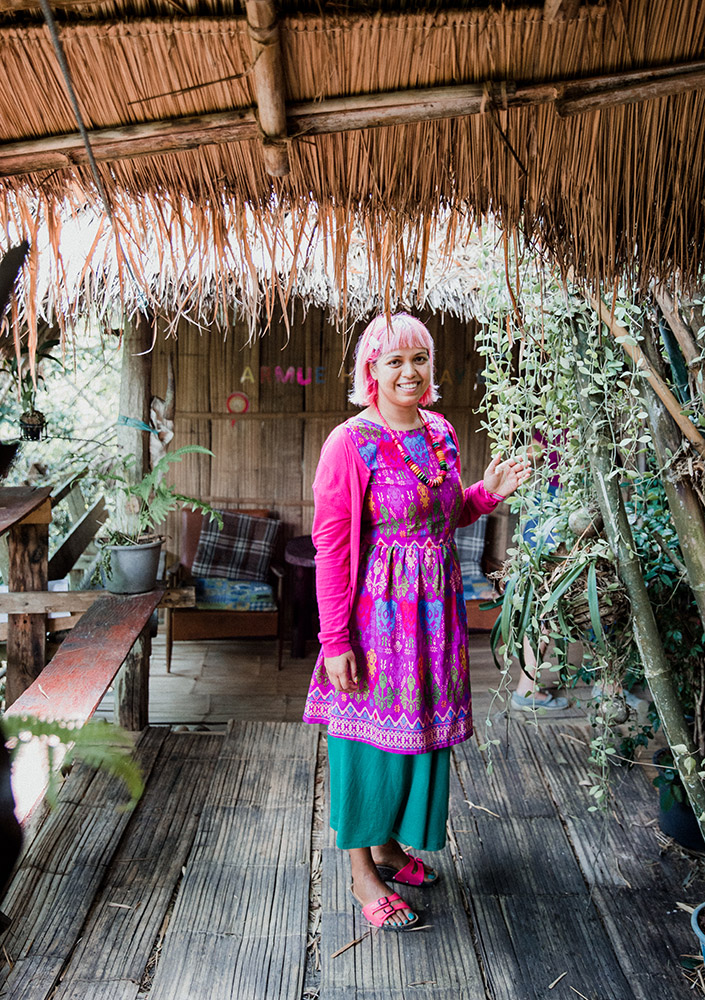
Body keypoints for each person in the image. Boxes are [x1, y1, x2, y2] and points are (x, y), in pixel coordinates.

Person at [303, 313, 531, 930]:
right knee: (365, 739)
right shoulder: (348, 443)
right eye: (394, 360)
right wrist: (334, 640)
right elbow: (330, 547)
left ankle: (388, 845)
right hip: (376, 613)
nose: (409, 371)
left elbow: (446, 512)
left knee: (420, 731)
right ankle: (360, 870)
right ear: (369, 371)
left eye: (419, 359)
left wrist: (486, 493)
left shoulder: (440, 433)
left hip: (435, 613)